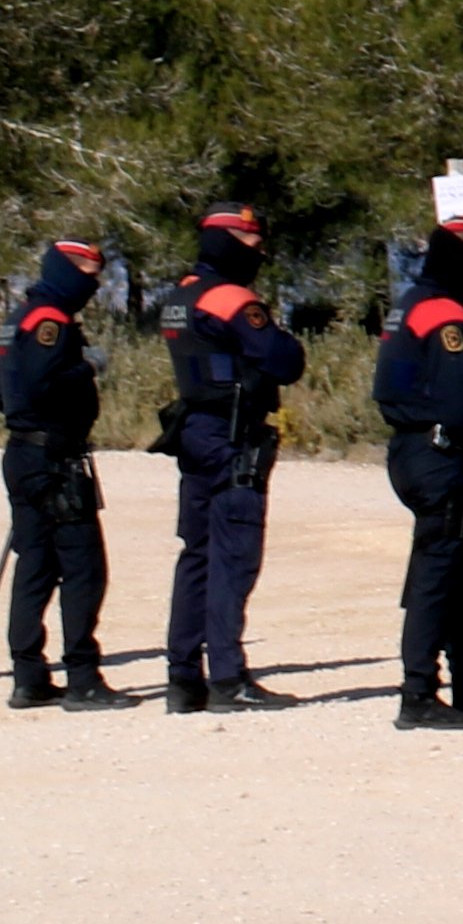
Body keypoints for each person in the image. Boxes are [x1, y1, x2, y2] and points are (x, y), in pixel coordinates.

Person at [158, 205, 307, 712]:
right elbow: (286, 361)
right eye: (250, 239)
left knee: (196, 555)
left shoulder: (180, 296)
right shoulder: (231, 299)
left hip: (195, 431)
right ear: (227, 241)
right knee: (233, 556)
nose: (259, 248)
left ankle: (182, 677)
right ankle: (227, 677)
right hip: (231, 435)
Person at [372, 209, 463, 730]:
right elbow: (459, 400)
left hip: (418, 451)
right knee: (438, 575)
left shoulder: (412, 304)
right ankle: (418, 694)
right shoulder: (445, 314)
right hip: (443, 455)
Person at [0, 234, 128, 711]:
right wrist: (86, 367)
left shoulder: (17, 319)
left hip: (22, 454)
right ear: (71, 272)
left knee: (35, 565)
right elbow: (44, 386)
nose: (93, 287)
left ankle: (28, 677)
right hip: (54, 459)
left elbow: (0, 395)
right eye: (91, 278)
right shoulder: (51, 321)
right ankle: (83, 679)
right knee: (83, 567)